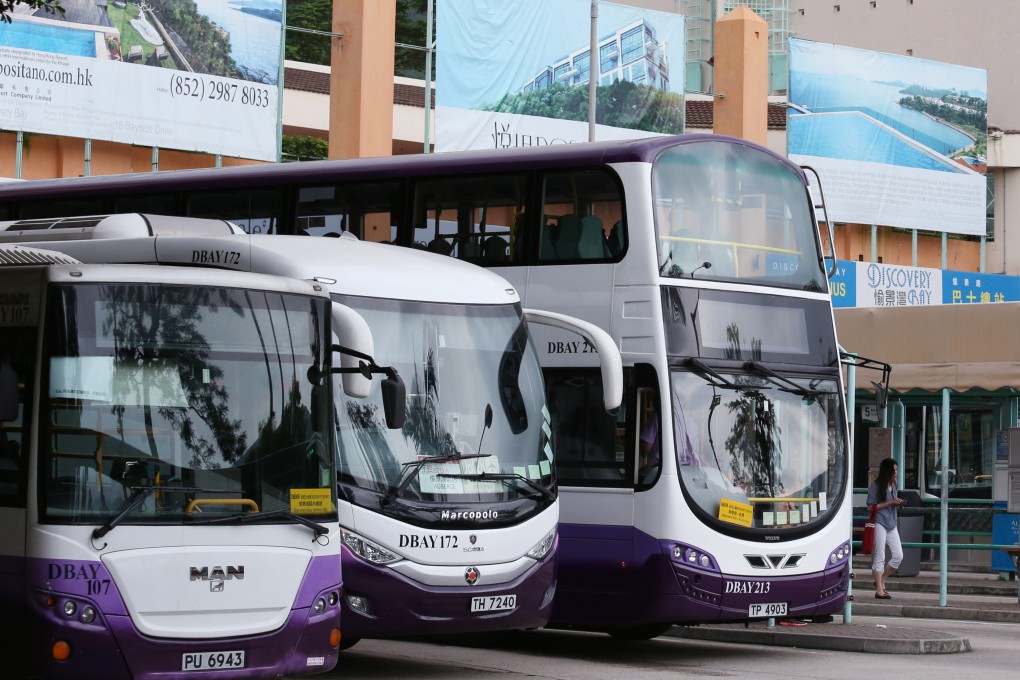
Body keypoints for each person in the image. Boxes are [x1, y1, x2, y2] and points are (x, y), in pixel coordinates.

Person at [867, 457, 907, 599]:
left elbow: (890, 501)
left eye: (896, 469)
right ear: (887, 471)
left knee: (898, 555)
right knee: (880, 555)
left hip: (891, 522)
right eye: (894, 470)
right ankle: (879, 590)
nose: (896, 472)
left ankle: (881, 580)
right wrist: (890, 502)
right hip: (880, 521)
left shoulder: (894, 483)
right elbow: (870, 507)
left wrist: (897, 503)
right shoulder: (876, 486)